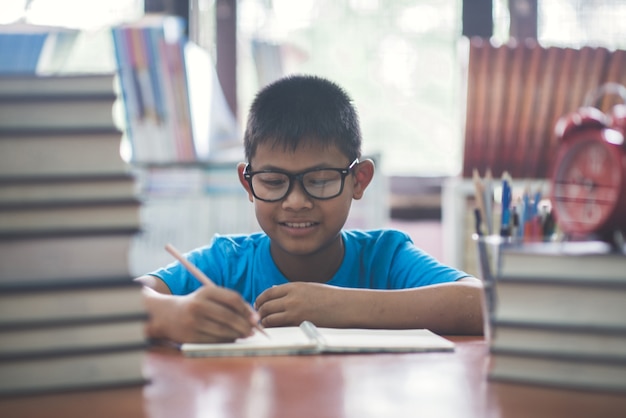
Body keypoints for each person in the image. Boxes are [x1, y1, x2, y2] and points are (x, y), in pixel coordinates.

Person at [136, 75, 484, 344]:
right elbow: (119, 300)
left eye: (319, 180)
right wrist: (172, 313)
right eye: (273, 181)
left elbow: (482, 303)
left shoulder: (385, 258)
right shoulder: (226, 263)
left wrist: (337, 306)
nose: (296, 202)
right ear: (248, 184)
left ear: (359, 180)